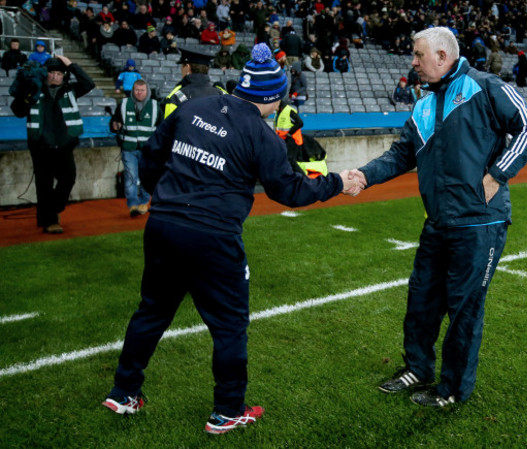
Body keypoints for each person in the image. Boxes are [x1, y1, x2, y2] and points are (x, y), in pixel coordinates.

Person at [102, 43, 359, 434]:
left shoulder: (191, 107)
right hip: (213, 237)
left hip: (164, 225)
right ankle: (227, 410)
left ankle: (123, 392)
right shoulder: (261, 134)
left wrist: (165, 198)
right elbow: (288, 191)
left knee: (152, 311)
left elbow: (152, 157)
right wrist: (338, 182)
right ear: (272, 97)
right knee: (229, 326)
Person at [345, 27, 527, 408]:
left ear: (442, 55)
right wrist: (365, 175)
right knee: (421, 301)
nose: (413, 62)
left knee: (464, 311)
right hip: (438, 223)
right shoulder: (422, 104)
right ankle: (417, 368)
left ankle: (452, 390)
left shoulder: (485, 87)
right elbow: (401, 154)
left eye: (418, 55)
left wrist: (497, 174)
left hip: (479, 224)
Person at [10, 55, 95, 234]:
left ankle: (49, 211)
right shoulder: (34, 90)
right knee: (44, 185)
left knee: (68, 179)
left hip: (64, 144)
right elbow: (17, 110)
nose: (55, 76)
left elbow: (89, 83)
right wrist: (27, 96)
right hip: (40, 146)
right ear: (44, 74)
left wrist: (70, 64)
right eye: (52, 73)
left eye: (59, 73)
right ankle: (49, 221)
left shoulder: (70, 90)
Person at [110, 79, 162, 217]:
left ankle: (144, 202)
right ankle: (132, 205)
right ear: (133, 91)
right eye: (137, 90)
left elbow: (162, 128)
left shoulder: (156, 106)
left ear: (147, 91)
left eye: (142, 90)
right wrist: (115, 126)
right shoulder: (124, 104)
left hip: (148, 151)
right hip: (129, 148)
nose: (139, 93)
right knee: (130, 177)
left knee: (146, 177)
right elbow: (114, 121)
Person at [163, 47, 223, 118]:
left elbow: (168, 126)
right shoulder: (221, 95)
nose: (181, 69)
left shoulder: (178, 97)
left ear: (188, 67)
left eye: (182, 66)